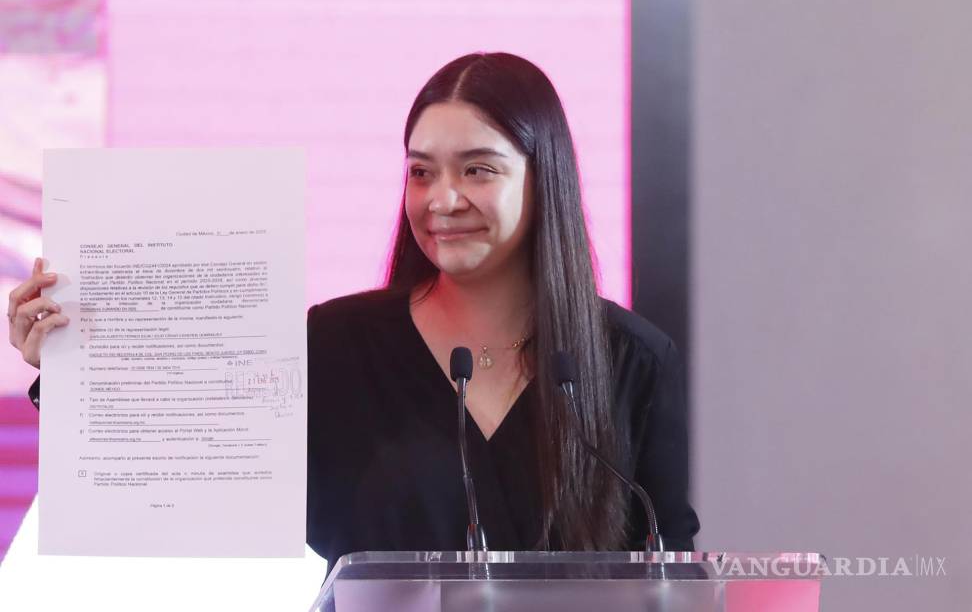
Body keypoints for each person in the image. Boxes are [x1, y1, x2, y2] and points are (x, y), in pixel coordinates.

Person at [7, 52, 700, 569]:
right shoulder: (335, 344)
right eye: (421, 171)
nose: (441, 199)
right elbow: (189, 472)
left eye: (477, 169)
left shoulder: (629, 361)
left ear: (542, 176)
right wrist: (71, 366)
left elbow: (673, 572)